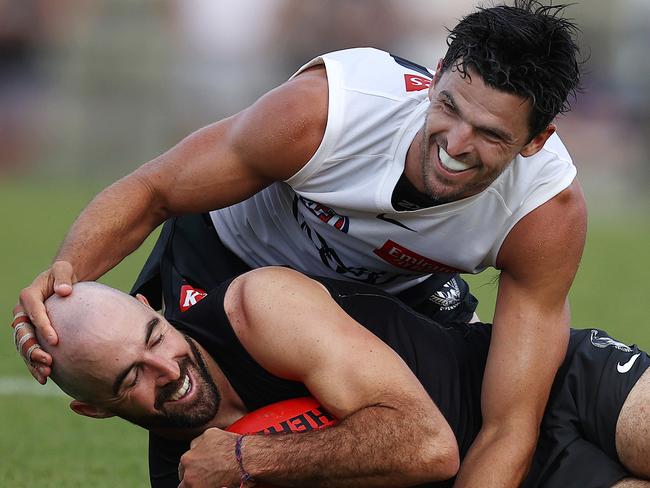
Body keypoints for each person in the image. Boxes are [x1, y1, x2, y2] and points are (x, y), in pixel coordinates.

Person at [16, 3, 587, 485]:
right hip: (227, 261)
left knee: (416, 438)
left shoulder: (543, 213)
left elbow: (509, 426)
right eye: (450, 109)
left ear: (537, 140)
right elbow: (153, 190)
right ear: (435, 77)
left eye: (491, 134)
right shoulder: (328, 113)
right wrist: (60, 287)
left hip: (395, 295)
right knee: (183, 404)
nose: (457, 144)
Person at [25, 267, 650, 488]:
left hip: (544, 382)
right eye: (131, 377)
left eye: (154, 338)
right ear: (97, 411)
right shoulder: (188, 480)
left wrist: (249, 459)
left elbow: (429, 447)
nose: (168, 370)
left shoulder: (258, 308)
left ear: (151, 308)